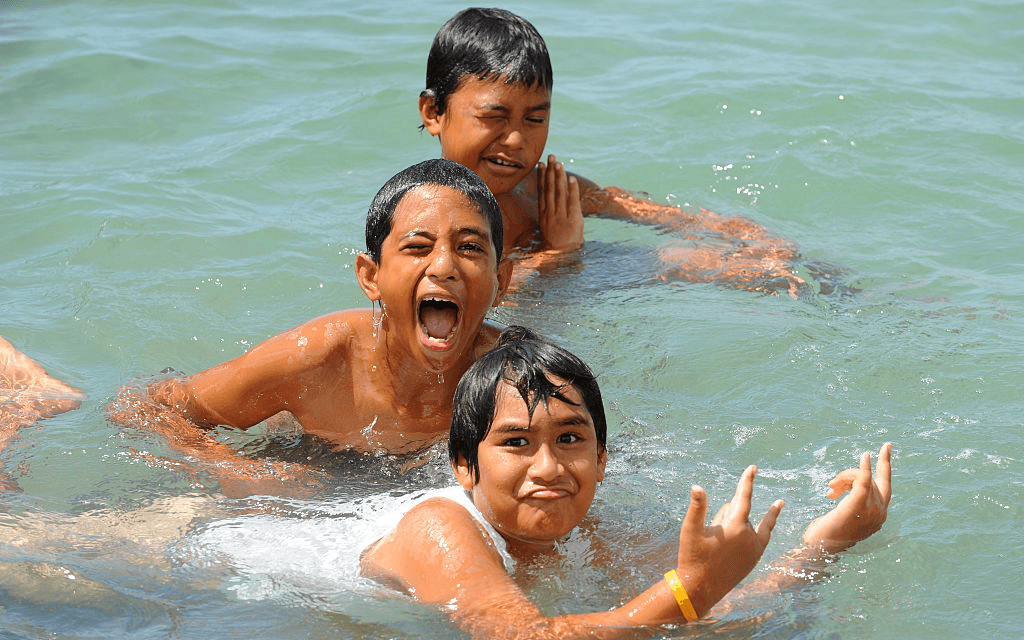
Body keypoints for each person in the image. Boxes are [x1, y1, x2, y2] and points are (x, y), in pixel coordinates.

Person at [360, 326, 893, 637]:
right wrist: (687, 587)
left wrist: (824, 547)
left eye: (570, 440)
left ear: (603, 459)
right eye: (517, 443)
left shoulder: (593, 535)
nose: (549, 468)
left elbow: (713, 614)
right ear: (463, 464)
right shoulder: (438, 525)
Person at [110, 159, 513, 468]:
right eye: (418, 247)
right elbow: (147, 406)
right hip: (309, 461)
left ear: (501, 282)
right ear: (370, 277)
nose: (444, 266)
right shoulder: (318, 359)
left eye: (470, 248)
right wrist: (235, 470)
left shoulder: (515, 375)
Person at [419, 8, 808, 296]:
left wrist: (727, 229)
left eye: (535, 120)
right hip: (529, 312)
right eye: (495, 116)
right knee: (671, 262)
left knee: (709, 259)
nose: (518, 140)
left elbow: (624, 205)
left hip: (575, 271)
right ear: (434, 112)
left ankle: (819, 285)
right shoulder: (429, 209)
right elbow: (481, 303)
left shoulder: (541, 189)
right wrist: (561, 252)